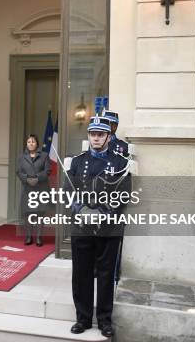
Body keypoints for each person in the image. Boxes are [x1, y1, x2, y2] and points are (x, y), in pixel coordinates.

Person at [67, 115, 131, 338]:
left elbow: (124, 194)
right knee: (81, 273)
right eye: (93, 134)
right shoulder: (77, 161)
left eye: (100, 134)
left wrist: (101, 214)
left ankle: (104, 320)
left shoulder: (121, 163)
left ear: (108, 136)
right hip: (82, 226)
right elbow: (68, 192)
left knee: (105, 275)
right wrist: (83, 211)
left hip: (108, 227)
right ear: (89, 136)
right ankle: (82, 318)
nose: (96, 138)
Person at [16, 134, 51, 246]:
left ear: (37, 143)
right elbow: (19, 172)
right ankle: (28, 237)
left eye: (33, 142)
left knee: (40, 213)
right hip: (27, 188)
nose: (31, 144)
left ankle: (39, 237)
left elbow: (48, 171)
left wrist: (37, 178)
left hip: (41, 188)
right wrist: (27, 179)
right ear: (26, 144)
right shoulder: (21, 157)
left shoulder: (44, 155)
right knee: (28, 213)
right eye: (29, 142)